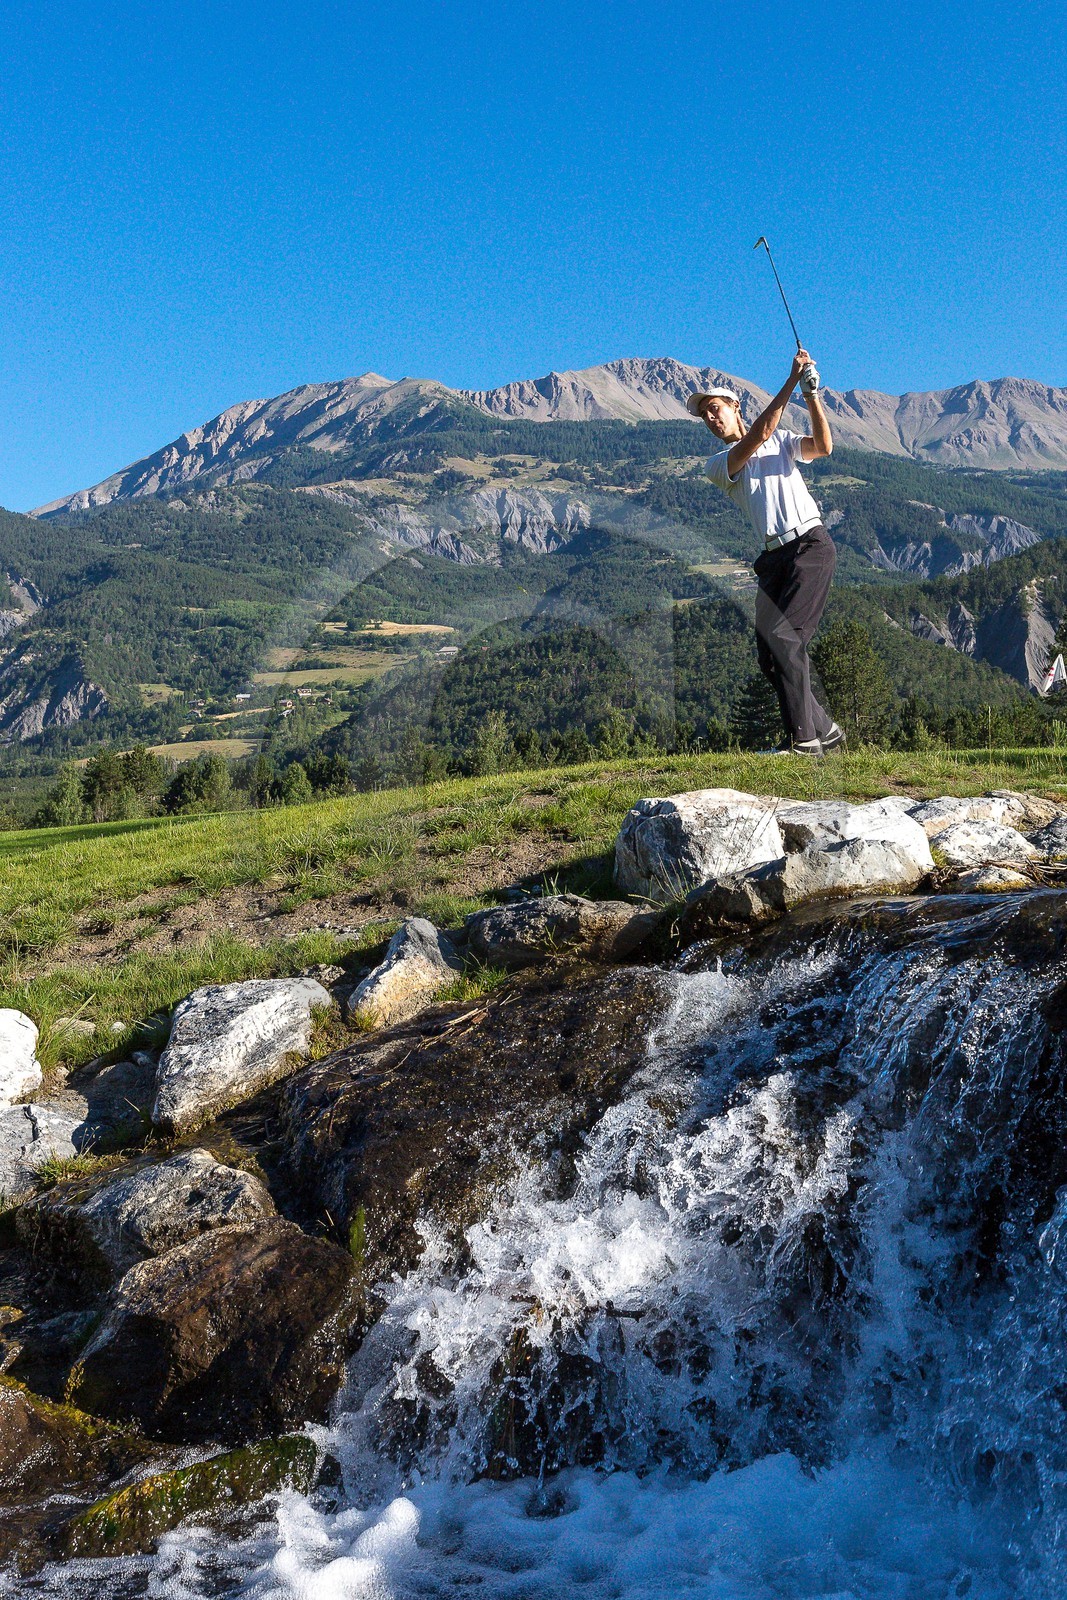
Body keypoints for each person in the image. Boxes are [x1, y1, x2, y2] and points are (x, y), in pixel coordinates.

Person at [688, 351, 845, 755]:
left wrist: (811, 395)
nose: (710, 418)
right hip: (774, 559)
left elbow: (824, 446)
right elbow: (757, 436)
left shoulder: (782, 440)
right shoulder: (719, 463)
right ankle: (824, 729)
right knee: (770, 656)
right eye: (704, 415)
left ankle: (804, 742)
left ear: (734, 406)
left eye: (715, 408)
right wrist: (792, 380)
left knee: (785, 639)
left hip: (810, 547)